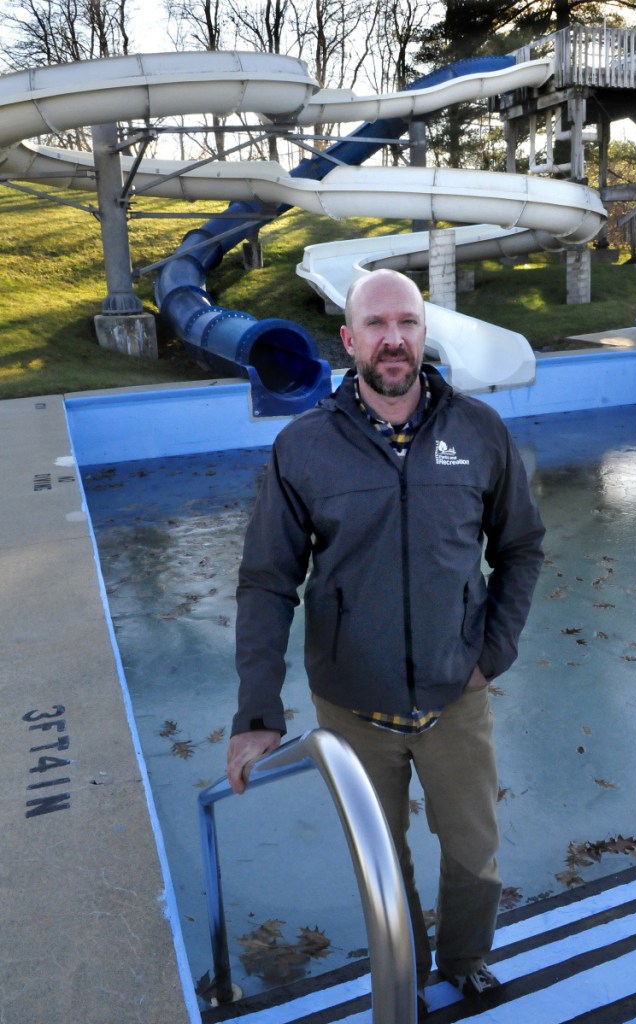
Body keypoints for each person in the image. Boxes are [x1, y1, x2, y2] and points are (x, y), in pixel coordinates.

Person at [227, 268, 545, 1008]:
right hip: (350, 704)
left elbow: (520, 549)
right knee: (383, 865)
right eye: (375, 324)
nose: (393, 338)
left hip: (453, 696)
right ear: (348, 340)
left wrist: (489, 655)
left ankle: (463, 959)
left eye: (406, 322)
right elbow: (266, 580)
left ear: (423, 334)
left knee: (474, 857)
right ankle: (402, 975)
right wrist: (256, 712)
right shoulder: (303, 447)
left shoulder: (478, 432)